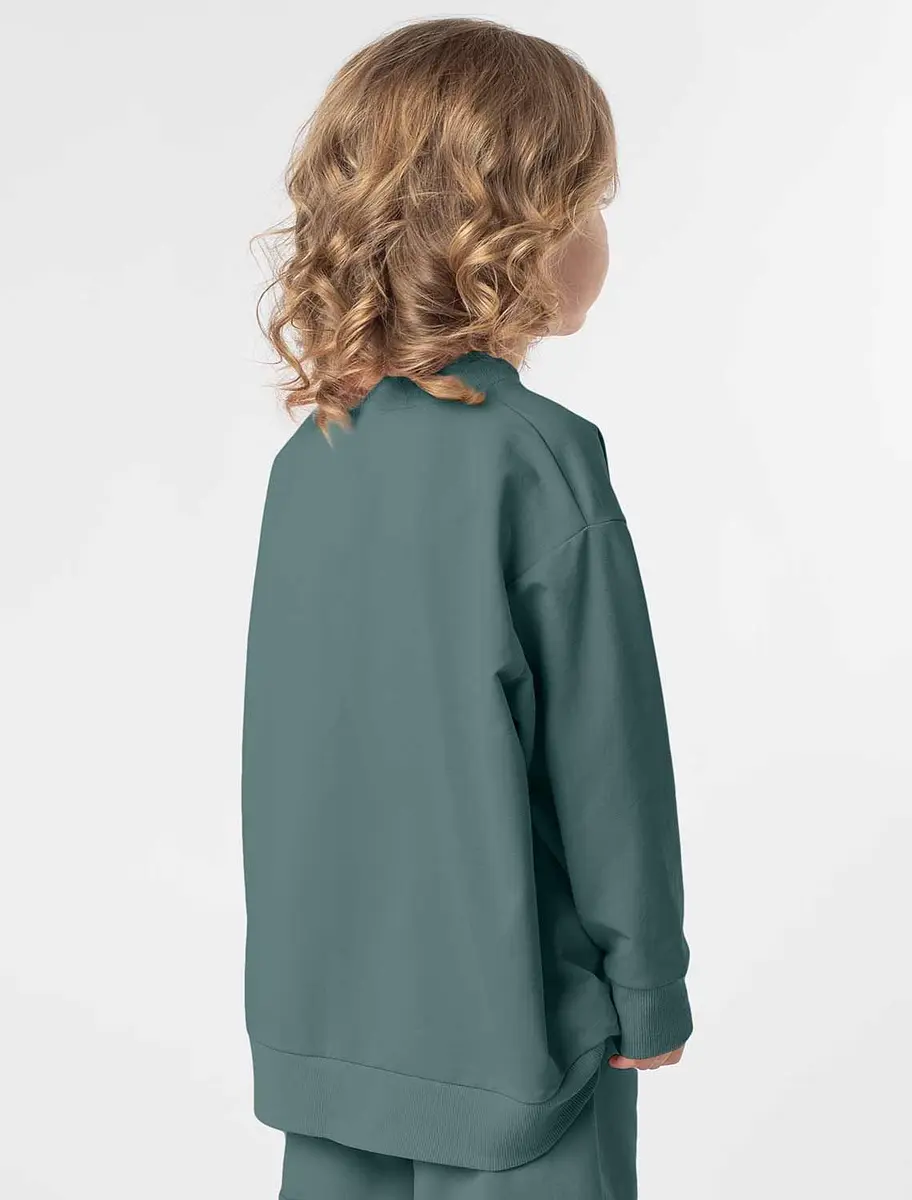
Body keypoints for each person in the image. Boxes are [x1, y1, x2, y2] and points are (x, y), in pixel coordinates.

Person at [243, 17, 692, 1199]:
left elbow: (297, 757)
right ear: (516, 235)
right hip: (520, 1047)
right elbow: (607, 758)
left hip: (331, 1047)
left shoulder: (312, 459)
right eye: (591, 205)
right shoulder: (537, 457)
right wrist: (649, 985)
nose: (603, 237)